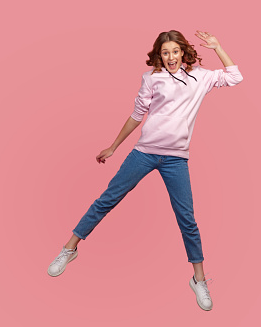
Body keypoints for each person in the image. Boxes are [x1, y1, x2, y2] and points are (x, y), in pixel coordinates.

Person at [47, 30, 243, 311]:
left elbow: (235, 76)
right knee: (107, 200)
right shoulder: (152, 78)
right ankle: (69, 250)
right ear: (159, 55)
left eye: (175, 51)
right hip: (145, 152)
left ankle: (198, 279)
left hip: (176, 159)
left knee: (186, 218)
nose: (171, 57)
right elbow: (137, 115)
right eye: (165, 52)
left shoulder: (201, 76)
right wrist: (114, 147)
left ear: (183, 52)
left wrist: (218, 47)